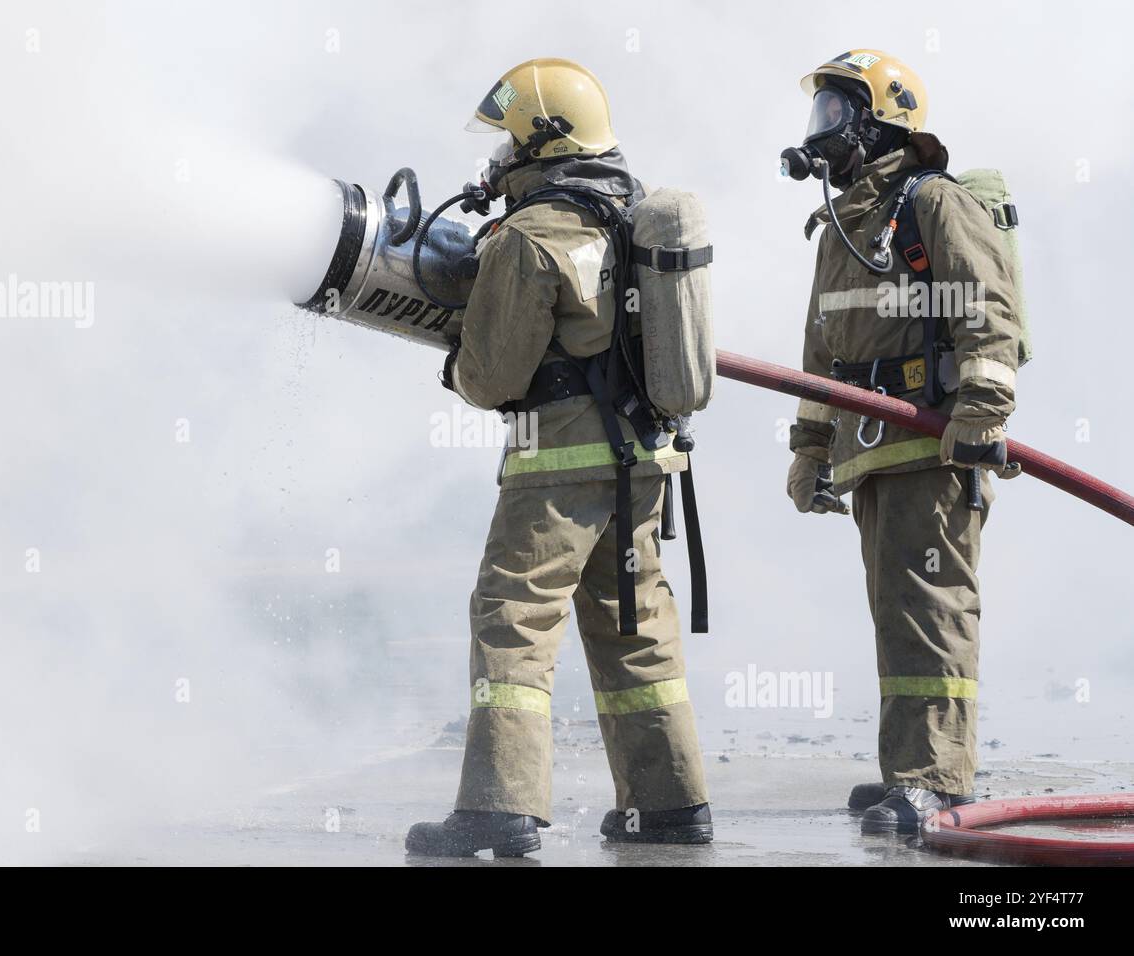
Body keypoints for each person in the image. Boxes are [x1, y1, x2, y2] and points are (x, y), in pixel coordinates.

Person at [405, 58, 711, 857]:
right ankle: (670, 804)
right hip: (642, 461)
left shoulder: (529, 238)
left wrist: (457, 359)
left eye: (507, 142)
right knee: (633, 626)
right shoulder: (630, 218)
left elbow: (492, 376)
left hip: (556, 464)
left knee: (513, 619)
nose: (498, 160)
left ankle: (498, 812)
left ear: (541, 140)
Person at [782, 50, 1022, 833]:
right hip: (873, 452)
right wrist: (810, 449)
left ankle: (937, 781)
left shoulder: (933, 202)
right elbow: (824, 354)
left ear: (879, 120)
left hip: (934, 444)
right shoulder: (841, 226)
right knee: (896, 611)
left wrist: (982, 410)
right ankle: (908, 772)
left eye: (832, 114)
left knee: (932, 607)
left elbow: (988, 310)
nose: (819, 132)